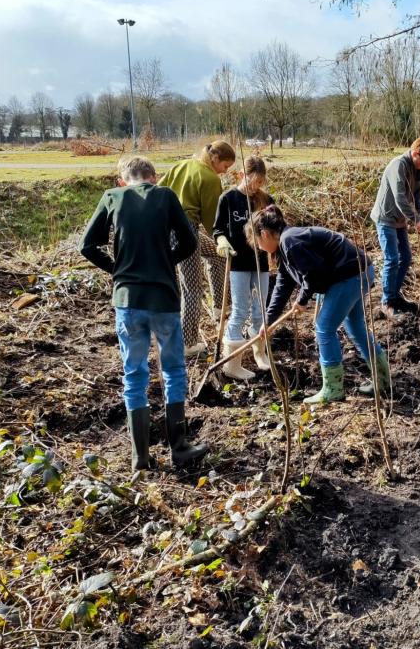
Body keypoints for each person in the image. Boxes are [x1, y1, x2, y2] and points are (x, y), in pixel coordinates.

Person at [79, 155, 207, 471]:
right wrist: (167, 262)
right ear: (154, 177)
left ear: (123, 180)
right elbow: (190, 242)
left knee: (134, 374)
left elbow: (87, 246)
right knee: (174, 370)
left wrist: (117, 270)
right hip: (163, 298)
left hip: (128, 300)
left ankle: (141, 457)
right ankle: (179, 448)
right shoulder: (166, 196)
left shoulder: (112, 197)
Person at [248, 205, 390, 404]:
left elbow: (315, 275)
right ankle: (383, 379)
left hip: (350, 275)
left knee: (324, 328)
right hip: (360, 271)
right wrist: (268, 320)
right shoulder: (287, 245)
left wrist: (302, 299)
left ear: (263, 233)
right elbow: (283, 286)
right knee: (355, 326)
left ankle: (333, 389)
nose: (260, 248)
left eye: (257, 243)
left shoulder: (290, 241)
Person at [158, 141, 235, 356]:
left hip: (167, 224)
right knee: (192, 287)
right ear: (215, 158)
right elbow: (212, 222)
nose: (225, 171)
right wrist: (224, 238)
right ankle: (186, 343)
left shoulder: (183, 165)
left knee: (217, 255)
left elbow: (158, 191)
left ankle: (220, 305)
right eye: (225, 166)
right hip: (185, 231)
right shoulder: (210, 179)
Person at [213, 156, 274, 380]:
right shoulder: (228, 199)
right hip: (237, 262)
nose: (255, 187)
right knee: (239, 309)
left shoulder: (267, 200)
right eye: (252, 181)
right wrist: (222, 242)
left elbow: (275, 230)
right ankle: (232, 363)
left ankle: (260, 353)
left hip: (260, 262)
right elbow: (217, 229)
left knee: (261, 308)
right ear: (241, 175)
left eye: (260, 182)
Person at [370, 137, 420, 317]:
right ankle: (386, 301)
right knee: (391, 259)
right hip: (386, 217)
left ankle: (394, 295)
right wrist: (416, 220)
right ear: (415, 154)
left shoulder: (418, 170)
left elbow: (417, 197)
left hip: (399, 220)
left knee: (405, 257)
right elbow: (400, 198)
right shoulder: (398, 165)